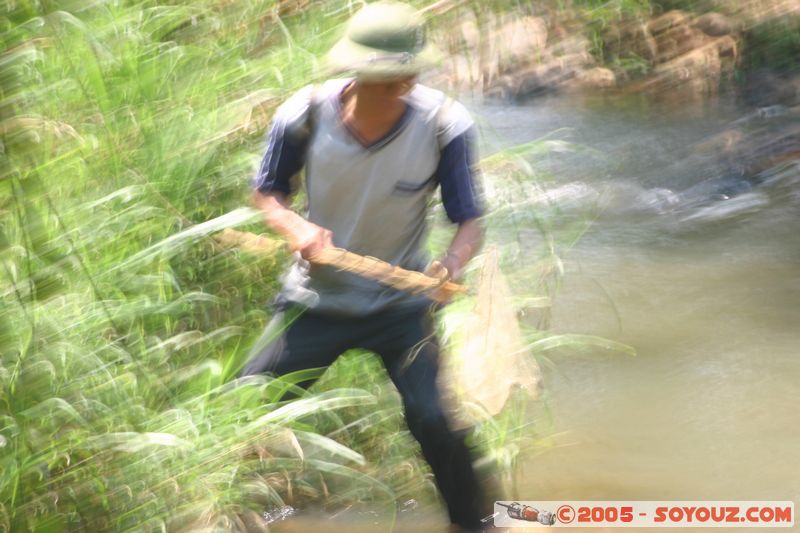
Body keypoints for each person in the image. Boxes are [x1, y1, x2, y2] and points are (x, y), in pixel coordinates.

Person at [240, 2, 486, 530]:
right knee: (247, 407)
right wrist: (296, 229)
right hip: (314, 300)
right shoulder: (304, 114)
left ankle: (481, 521)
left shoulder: (445, 125)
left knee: (434, 418)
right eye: (386, 77)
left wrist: (451, 263)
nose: (400, 86)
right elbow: (268, 193)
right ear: (355, 70)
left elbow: (469, 220)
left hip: (401, 307)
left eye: (407, 75)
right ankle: (231, 514)